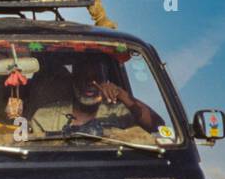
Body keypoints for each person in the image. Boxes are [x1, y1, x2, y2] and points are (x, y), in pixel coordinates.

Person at [29, 53, 160, 137]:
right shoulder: (45, 117)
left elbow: (156, 126)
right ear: (73, 80)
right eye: (83, 77)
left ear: (106, 82)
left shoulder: (120, 113)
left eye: (96, 77)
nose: (91, 83)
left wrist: (123, 95)